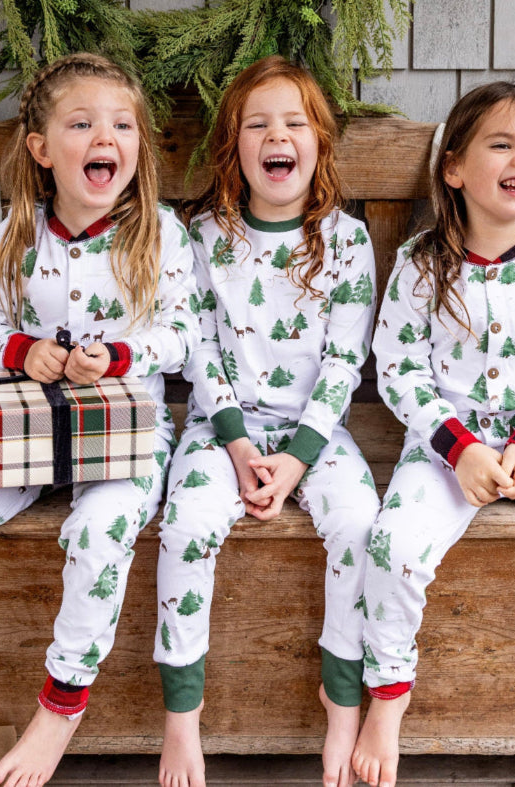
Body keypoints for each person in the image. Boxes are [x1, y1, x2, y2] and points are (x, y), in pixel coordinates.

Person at [0, 53, 197, 787]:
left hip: (126, 438)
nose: (106, 137)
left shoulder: (159, 234)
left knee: (98, 533)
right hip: (28, 434)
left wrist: (121, 355)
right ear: (41, 149)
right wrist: (22, 349)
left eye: (122, 125)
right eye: (82, 124)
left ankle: (62, 706)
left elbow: (183, 336)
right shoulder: (15, 235)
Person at [352, 81, 515, 787]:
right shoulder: (421, 262)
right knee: (393, 546)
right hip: (445, 449)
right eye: (502, 144)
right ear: (455, 168)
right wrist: (459, 448)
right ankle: (388, 697)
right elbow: (399, 367)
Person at [153, 54, 379, 787]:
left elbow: (344, 361)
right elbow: (199, 349)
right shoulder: (205, 237)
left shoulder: (346, 242)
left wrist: (299, 457)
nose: (277, 136)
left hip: (318, 432)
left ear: (318, 143)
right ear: (234, 147)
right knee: (185, 526)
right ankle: (181, 717)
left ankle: (342, 699)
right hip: (221, 429)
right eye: (258, 124)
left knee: (359, 523)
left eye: (294, 123)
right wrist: (239, 446)